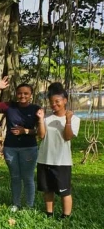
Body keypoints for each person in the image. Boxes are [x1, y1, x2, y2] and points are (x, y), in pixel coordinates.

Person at [0, 77, 41, 211]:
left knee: (28, 177)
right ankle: (16, 203)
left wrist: (26, 131)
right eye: (20, 93)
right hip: (10, 148)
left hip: (29, 148)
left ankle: (29, 205)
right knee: (15, 176)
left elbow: (40, 132)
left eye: (26, 93)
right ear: (16, 94)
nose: (22, 96)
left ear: (30, 95)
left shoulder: (36, 109)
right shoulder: (9, 106)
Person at [36, 83, 79, 218]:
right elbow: (41, 136)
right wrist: (41, 120)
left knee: (64, 191)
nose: (54, 104)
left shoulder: (74, 119)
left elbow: (67, 137)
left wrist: (67, 120)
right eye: (51, 102)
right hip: (44, 159)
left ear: (65, 100)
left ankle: (66, 216)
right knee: (48, 190)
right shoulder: (47, 118)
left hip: (62, 161)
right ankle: (49, 213)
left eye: (57, 101)